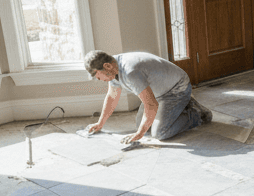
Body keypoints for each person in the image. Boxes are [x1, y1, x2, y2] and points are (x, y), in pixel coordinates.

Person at [82, 50, 211, 142]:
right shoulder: (113, 68)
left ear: (107, 66)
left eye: (98, 76)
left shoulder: (130, 72)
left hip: (176, 89)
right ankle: (182, 107)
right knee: (142, 125)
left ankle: (196, 114)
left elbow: (151, 104)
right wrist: (100, 123)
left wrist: (140, 134)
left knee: (160, 133)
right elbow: (112, 96)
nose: (99, 79)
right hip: (158, 92)